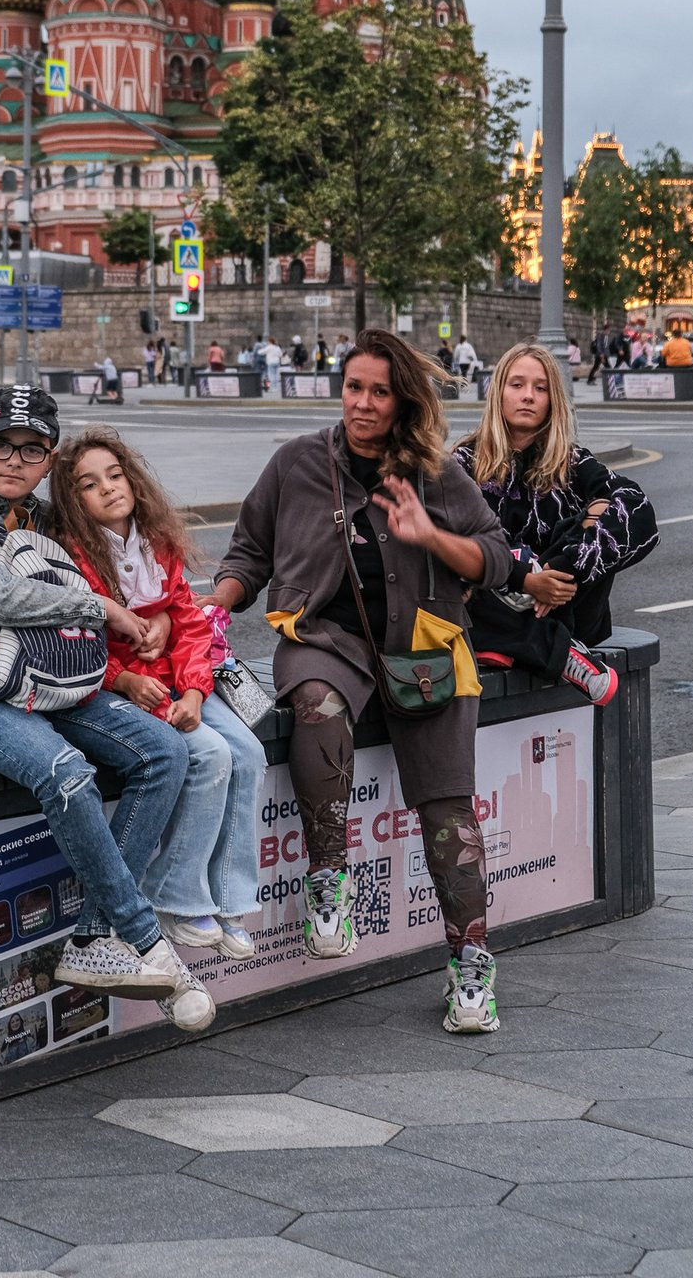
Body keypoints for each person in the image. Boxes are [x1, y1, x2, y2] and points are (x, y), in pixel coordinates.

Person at [207, 327, 513, 1035]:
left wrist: (429, 536)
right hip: (326, 640)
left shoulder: (435, 472)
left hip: (425, 650)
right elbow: (249, 550)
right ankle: (329, 883)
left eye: (379, 391)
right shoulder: (297, 464)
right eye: (354, 387)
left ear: (403, 400)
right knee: (316, 705)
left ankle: (471, 969)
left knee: (450, 815)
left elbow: (495, 556)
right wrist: (216, 601)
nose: (363, 403)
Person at [0, 384, 213, 1031]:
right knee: (66, 772)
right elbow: (2, 600)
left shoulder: (38, 517)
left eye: (32, 449)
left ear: (48, 459)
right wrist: (102, 609)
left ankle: (93, 937)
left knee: (165, 751)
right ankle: (148, 943)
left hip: (40, 685)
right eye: (0, 445)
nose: (14, 460)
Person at [51, 428, 265, 961]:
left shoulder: (157, 542)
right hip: (133, 689)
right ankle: (176, 892)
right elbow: (74, 645)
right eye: (88, 485)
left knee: (250, 752)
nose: (108, 489)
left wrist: (194, 692)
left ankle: (231, 898)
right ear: (73, 501)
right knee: (211, 756)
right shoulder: (74, 558)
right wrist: (122, 680)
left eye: (115, 475)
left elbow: (192, 625)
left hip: (181, 681)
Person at [455, 343, 659, 698]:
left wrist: (564, 565)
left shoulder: (573, 461)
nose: (528, 397)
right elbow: (458, 538)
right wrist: (529, 578)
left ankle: (518, 642)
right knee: (458, 556)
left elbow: (639, 510)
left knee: (597, 515)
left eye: (540, 387)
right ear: (498, 391)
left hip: (566, 605)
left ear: (552, 400)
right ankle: (561, 653)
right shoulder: (465, 461)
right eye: (517, 385)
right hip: (496, 599)